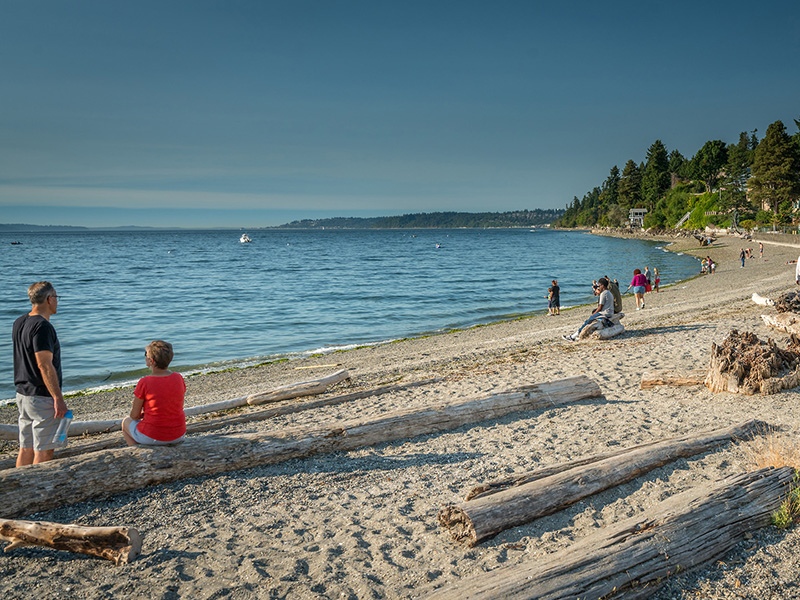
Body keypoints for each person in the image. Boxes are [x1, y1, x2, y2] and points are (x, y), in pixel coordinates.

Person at [12, 281, 68, 467]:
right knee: (44, 448)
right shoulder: (42, 327)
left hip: (23, 393)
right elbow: (44, 365)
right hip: (41, 395)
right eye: (56, 298)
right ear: (49, 299)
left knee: (26, 446)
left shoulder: (19, 322)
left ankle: (19, 489)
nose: (57, 302)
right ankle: (38, 490)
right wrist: (57, 398)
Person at [122, 340, 187, 447]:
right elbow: (171, 403)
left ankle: (137, 451)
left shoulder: (145, 382)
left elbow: (134, 415)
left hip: (153, 436)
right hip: (179, 434)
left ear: (151, 361)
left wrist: (144, 415)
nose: (145, 357)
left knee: (126, 422)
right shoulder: (178, 378)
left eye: (145, 355)